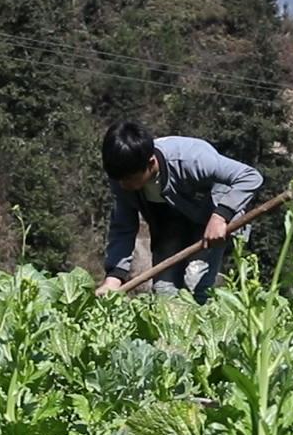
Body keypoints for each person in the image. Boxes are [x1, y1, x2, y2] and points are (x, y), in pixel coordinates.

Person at [95, 121, 263, 302]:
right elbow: (123, 227)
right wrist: (114, 277)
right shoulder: (122, 175)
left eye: (128, 179)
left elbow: (249, 176)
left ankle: (205, 328)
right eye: (118, 179)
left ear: (151, 163)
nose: (122, 185)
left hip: (209, 218)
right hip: (168, 223)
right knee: (163, 291)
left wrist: (221, 216)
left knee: (196, 284)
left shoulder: (192, 159)